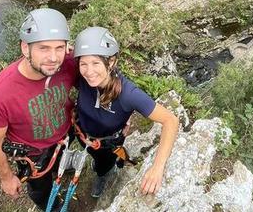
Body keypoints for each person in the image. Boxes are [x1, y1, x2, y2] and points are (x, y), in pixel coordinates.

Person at [0, 8, 77, 212]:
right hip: (34, 154)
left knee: (62, 160)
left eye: (59, 47)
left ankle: (63, 167)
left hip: (64, 134)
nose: (53, 57)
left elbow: (96, 69)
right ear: (25, 47)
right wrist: (6, 177)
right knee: (40, 187)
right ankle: (52, 209)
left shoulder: (68, 62)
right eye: (43, 48)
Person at [72, 27, 180, 198]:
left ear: (111, 62)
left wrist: (157, 168)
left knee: (103, 164)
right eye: (83, 63)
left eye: (95, 63)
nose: (89, 71)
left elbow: (170, 121)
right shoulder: (82, 77)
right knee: (93, 155)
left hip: (106, 144)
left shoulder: (128, 94)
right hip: (81, 132)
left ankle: (102, 173)